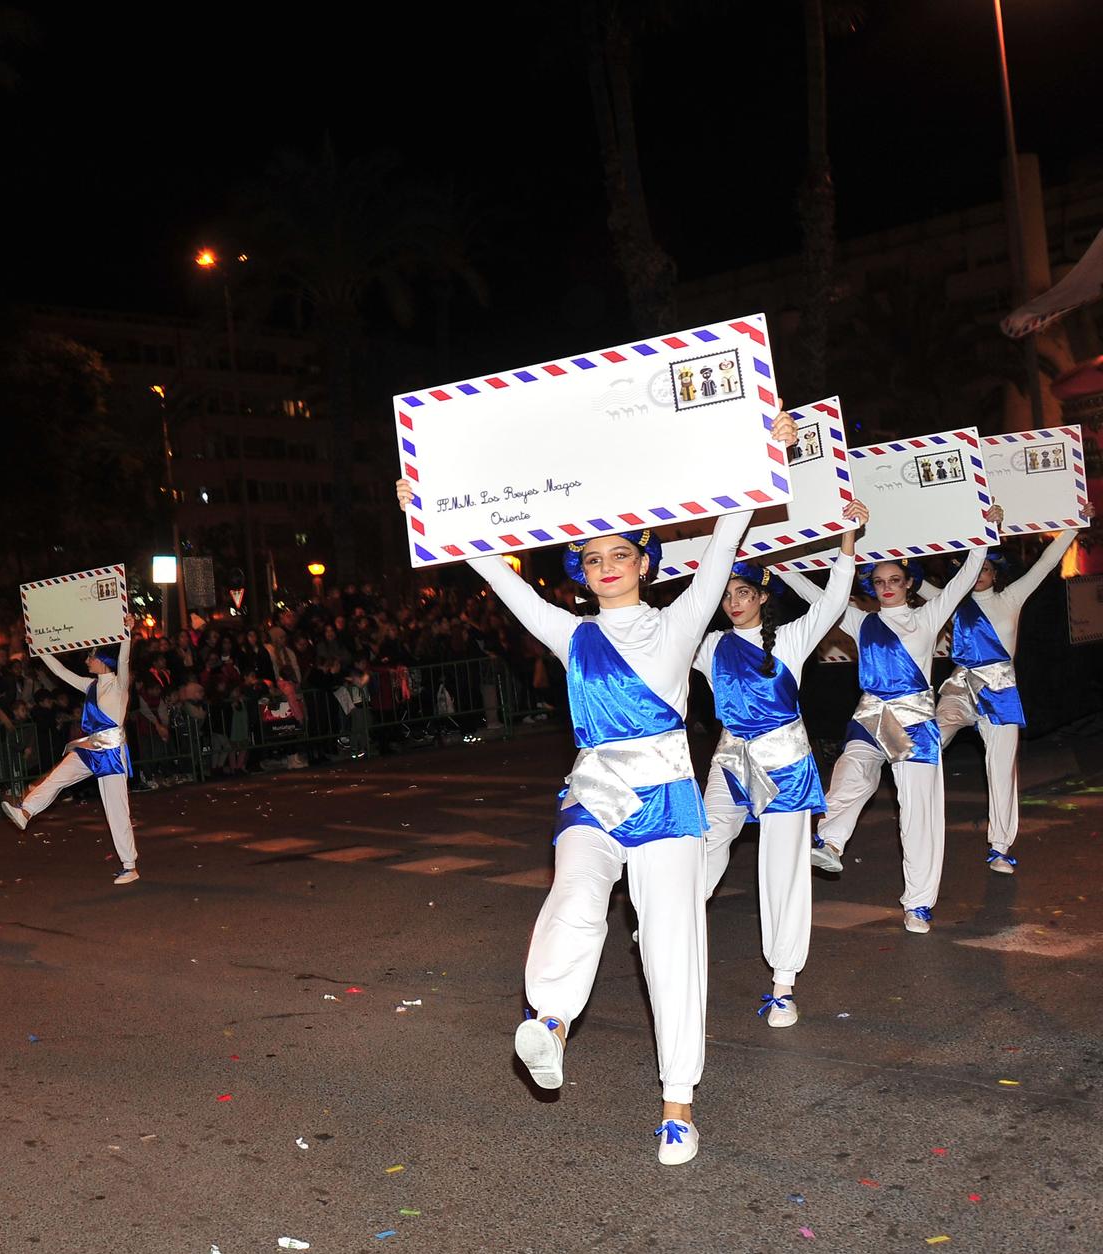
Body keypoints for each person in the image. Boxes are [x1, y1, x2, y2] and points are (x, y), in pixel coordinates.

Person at [400, 405, 792, 1166]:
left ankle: (678, 1102)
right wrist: (431, 509)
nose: (606, 565)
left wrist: (759, 457)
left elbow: (723, 544)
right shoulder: (569, 631)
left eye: (620, 553)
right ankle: (547, 1021)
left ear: (644, 560)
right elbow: (496, 574)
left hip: (670, 796)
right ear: (579, 569)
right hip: (593, 791)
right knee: (576, 894)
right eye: (591, 557)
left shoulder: (680, 623)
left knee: (672, 942)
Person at [780, 507, 1002, 934]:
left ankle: (917, 903)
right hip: (871, 716)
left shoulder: (927, 617)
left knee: (917, 815)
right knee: (851, 770)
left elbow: (962, 579)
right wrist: (781, 563)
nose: (885, 588)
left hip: (915, 722)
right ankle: (830, 840)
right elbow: (819, 597)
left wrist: (985, 531)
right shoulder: (861, 621)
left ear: (908, 584)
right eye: (878, 582)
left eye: (894, 581)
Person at [694, 500, 867, 1030]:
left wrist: (847, 540)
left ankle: (783, 985)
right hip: (730, 761)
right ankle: (669, 919)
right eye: (726, 595)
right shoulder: (709, 645)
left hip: (786, 765)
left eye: (743, 593)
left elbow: (835, 599)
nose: (733, 603)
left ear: (762, 596)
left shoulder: (789, 638)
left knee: (783, 871)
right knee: (704, 842)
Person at [931, 502, 1093, 873]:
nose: (980, 574)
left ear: (996, 573)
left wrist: (1077, 523)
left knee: (1002, 769)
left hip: (1001, 690)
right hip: (962, 686)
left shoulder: (1011, 598)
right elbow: (912, 578)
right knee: (932, 736)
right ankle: (910, 788)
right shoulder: (950, 603)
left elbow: (1046, 563)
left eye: (987, 568)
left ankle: (1000, 846)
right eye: (976, 568)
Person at [0, 612, 141, 885]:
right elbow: (61, 673)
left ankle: (129, 865)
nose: (86, 660)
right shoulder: (90, 685)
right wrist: (40, 649)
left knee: (116, 808)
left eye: (91, 656)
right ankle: (26, 811)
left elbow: (124, 659)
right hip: (91, 748)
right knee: (57, 777)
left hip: (111, 752)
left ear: (103, 662)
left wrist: (127, 634)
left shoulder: (120, 685)